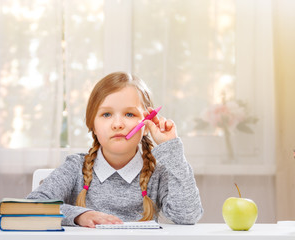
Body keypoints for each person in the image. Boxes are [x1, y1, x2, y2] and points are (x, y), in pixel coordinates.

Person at [27, 72, 203, 228]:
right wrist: (80, 215)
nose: (118, 124)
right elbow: (33, 206)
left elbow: (187, 216)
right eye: (106, 114)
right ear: (92, 125)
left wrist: (171, 148)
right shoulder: (75, 168)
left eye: (129, 114)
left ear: (147, 125)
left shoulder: (158, 173)